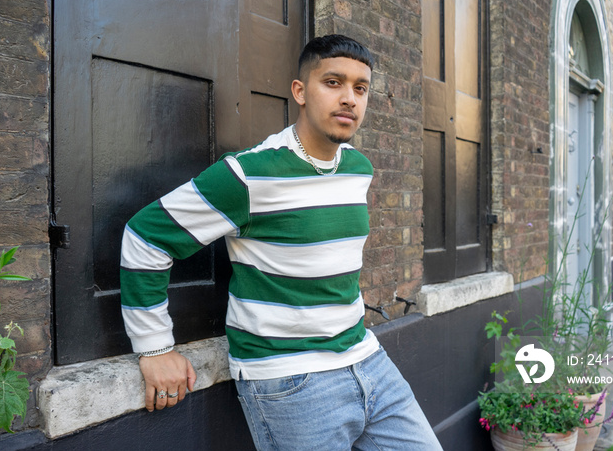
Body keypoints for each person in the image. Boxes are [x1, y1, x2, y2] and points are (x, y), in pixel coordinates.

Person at [120, 34, 442, 450]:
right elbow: (146, 236)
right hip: (291, 381)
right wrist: (154, 347)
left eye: (360, 88)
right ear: (300, 91)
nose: (349, 98)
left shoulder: (358, 168)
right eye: (333, 82)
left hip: (368, 359)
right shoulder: (249, 175)